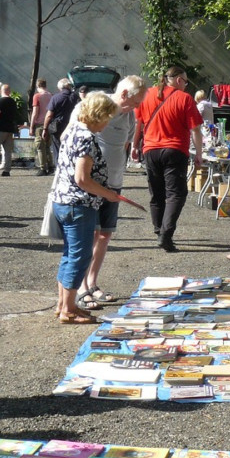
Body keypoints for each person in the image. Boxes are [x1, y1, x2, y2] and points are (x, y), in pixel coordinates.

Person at [74, 76, 147, 309]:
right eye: (135, 102)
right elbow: (73, 137)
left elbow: (125, 145)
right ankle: (81, 287)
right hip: (92, 184)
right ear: (124, 94)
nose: (136, 107)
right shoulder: (95, 105)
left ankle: (93, 283)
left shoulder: (129, 115)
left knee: (105, 234)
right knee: (89, 235)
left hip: (114, 183)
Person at [48, 92, 121, 324]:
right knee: (79, 257)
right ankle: (68, 310)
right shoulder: (86, 138)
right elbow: (82, 179)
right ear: (97, 115)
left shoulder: (71, 130)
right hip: (78, 204)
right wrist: (108, 193)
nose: (108, 123)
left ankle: (63, 304)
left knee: (70, 255)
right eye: (107, 118)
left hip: (64, 202)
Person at [132, 67, 204, 252]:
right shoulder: (185, 98)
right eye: (186, 82)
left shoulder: (146, 95)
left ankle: (159, 231)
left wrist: (134, 145)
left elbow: (138, 123)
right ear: (179, 80)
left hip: (150, 150)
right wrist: (199, 153)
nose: (186, 85)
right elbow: (195, 129)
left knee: (157, 193)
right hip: (175, 150)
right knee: (176, 194)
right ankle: (166, 234)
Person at [43, 79, 79, 167]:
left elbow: (49, 115)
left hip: (57, 127)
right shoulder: (76, 97)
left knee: (58, 149)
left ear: (60, 87)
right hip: (73, 126)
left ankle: (59, 168)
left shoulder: (56, 97)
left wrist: (45, 128)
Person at [0, 83, 19, 176]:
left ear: (1, 91)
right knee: (8, 151)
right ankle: (7, 170)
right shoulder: (13, 101)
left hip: (0, 129)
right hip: (10, 129)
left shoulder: (0, 101)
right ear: (9, 91)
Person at [30, 78, 53, 176]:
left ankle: (42, 167)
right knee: (47, 146)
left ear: (37, 86)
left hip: (40, 124)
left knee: (40, 146)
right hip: (49, 123)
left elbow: (35, 112)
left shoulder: (37, 96)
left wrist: (31, 126)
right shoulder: (51, 95)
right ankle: (51, 165)